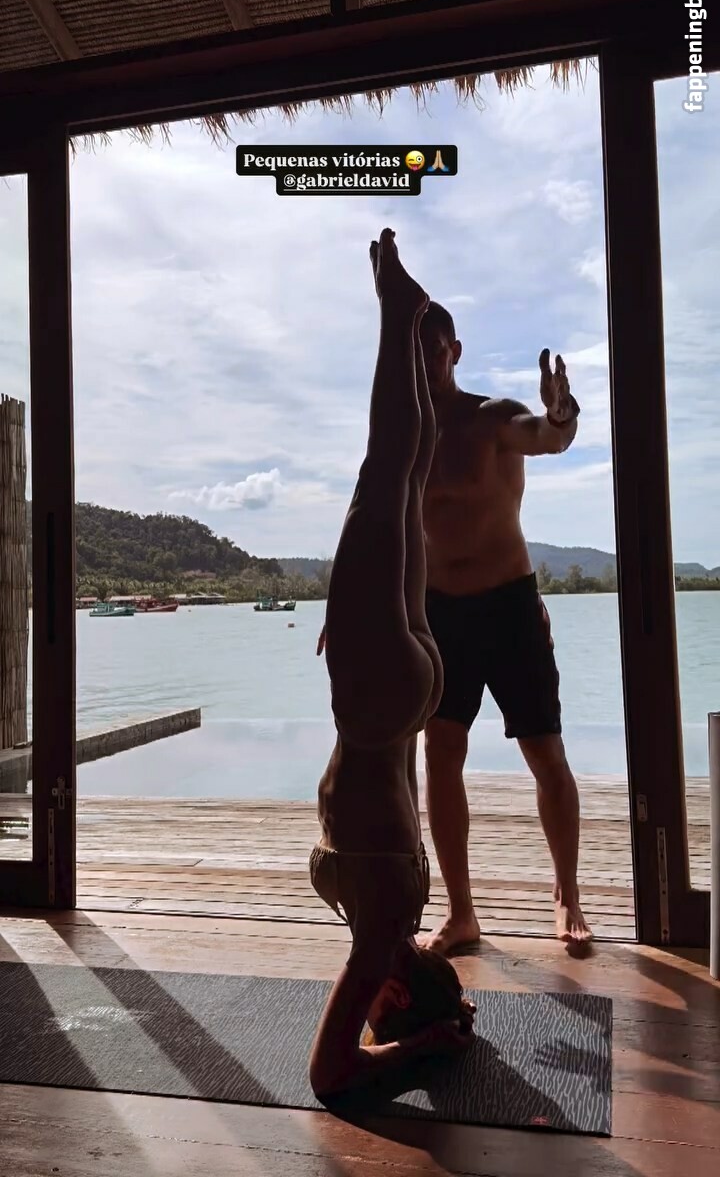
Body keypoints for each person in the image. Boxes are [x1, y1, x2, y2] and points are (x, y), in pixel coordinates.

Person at [308, 230, 475, 1099]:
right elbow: (332, 1079)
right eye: (379, 1011)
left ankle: (403, 326)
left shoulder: (397, 917)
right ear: (396, 992)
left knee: (399, 480)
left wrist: (430, 1026)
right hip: (380, 709)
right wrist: (424, 1049)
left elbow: (340, 1065)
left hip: (400, 692)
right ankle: (397, 318)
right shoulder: (383, 933)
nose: (363, 1005)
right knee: (389, 476)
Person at [418, 300, 591, 953]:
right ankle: (461, 913)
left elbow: (547, 437)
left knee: (545, 754)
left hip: (509, 607)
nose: (425, 363)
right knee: (441, 755)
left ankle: (567, 894)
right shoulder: (405, 435)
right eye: (414, 352)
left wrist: (561, 412)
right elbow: (379, 525)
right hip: (441, 613)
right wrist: (351, 605)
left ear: (455, 352)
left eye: (435, 350)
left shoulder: (490, 418)